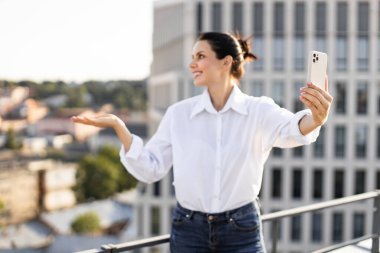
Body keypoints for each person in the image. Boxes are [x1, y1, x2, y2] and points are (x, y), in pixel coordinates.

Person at [71, 32, 333, 252]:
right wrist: (119, 127)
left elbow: (292, 129)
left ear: (226, 62)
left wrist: (316, 118)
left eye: (200, 56)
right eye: (192, 57)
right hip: (188, 230)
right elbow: (150, 168)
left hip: (241, 228)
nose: (192, 64)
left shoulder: (258, 110)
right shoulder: (179, 114)